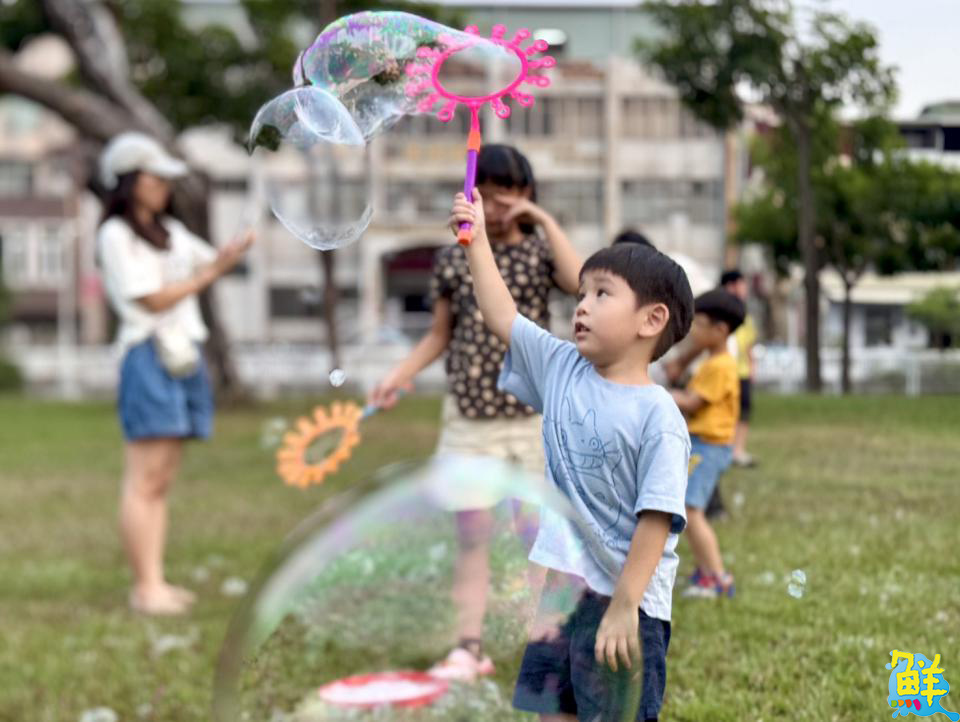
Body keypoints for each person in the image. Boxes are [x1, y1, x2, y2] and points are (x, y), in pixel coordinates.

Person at [451, 189, 693, 721]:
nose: (581, 305)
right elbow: (501, 314)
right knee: (549, 710)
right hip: (562, 593)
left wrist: (627, 605)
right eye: (580, 293)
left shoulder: (659, 417)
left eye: (602, 293)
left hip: (628, 602)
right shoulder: (561, 367)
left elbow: (657, 518)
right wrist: (478, 241)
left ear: (651, 320)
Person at [368, 144, 582, 680]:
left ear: (528, 194)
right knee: (473, 536)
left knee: (538, 532)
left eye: (514, 189)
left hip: (532, 417)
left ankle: (545, 631)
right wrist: (399, 374)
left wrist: (543, 220)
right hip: (469, 420)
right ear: (471, 192)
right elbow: (441, 334)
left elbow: (580, 282)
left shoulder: (538, 253)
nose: (501, 199)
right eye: (488, 188)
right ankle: (468, 644)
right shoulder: (452, 257)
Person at [96, 132, 254, 615]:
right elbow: (152, 298)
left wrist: (235, 249)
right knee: (144, 477)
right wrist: (208, 274)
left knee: (161, 478)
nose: (164, 185)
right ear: (129, 181)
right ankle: (146, 588)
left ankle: (156, 580)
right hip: (148, 356)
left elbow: (211, 261)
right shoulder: (115, 235)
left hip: (183, 354)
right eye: (155, 176)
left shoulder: (169, 231)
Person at [668, 289, 745, 600]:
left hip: (708, 446)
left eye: (699, 324)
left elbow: (695, 402)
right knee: (688, 509)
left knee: (691, 509)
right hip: (703, 444)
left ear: (720, 330)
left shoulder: (721, 366)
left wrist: (660, 394)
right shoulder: (712, 361)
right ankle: (704, 572)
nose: (694, 330)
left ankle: (717, 578)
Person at [721, 269, 758, 467]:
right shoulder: (721, 314)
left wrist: (753, 367)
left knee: (744, 412)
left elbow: (749, 345)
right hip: (725, 371)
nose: (743, 289)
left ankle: (738, 450)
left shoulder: (746, 316)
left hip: (741, 371)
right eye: (739, 284)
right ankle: (725, 449)